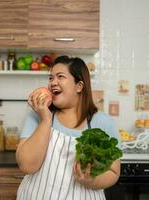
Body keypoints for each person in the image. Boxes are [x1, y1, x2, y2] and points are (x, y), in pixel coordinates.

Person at [16, 55, 121, 200]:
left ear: (79, 86)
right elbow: (27, 166)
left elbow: (113, 172)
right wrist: (46, 119)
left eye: (60, 77)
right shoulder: (38, 114)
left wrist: (91, 181)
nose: (53, 82)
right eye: (51, 78)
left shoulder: (102, 122)